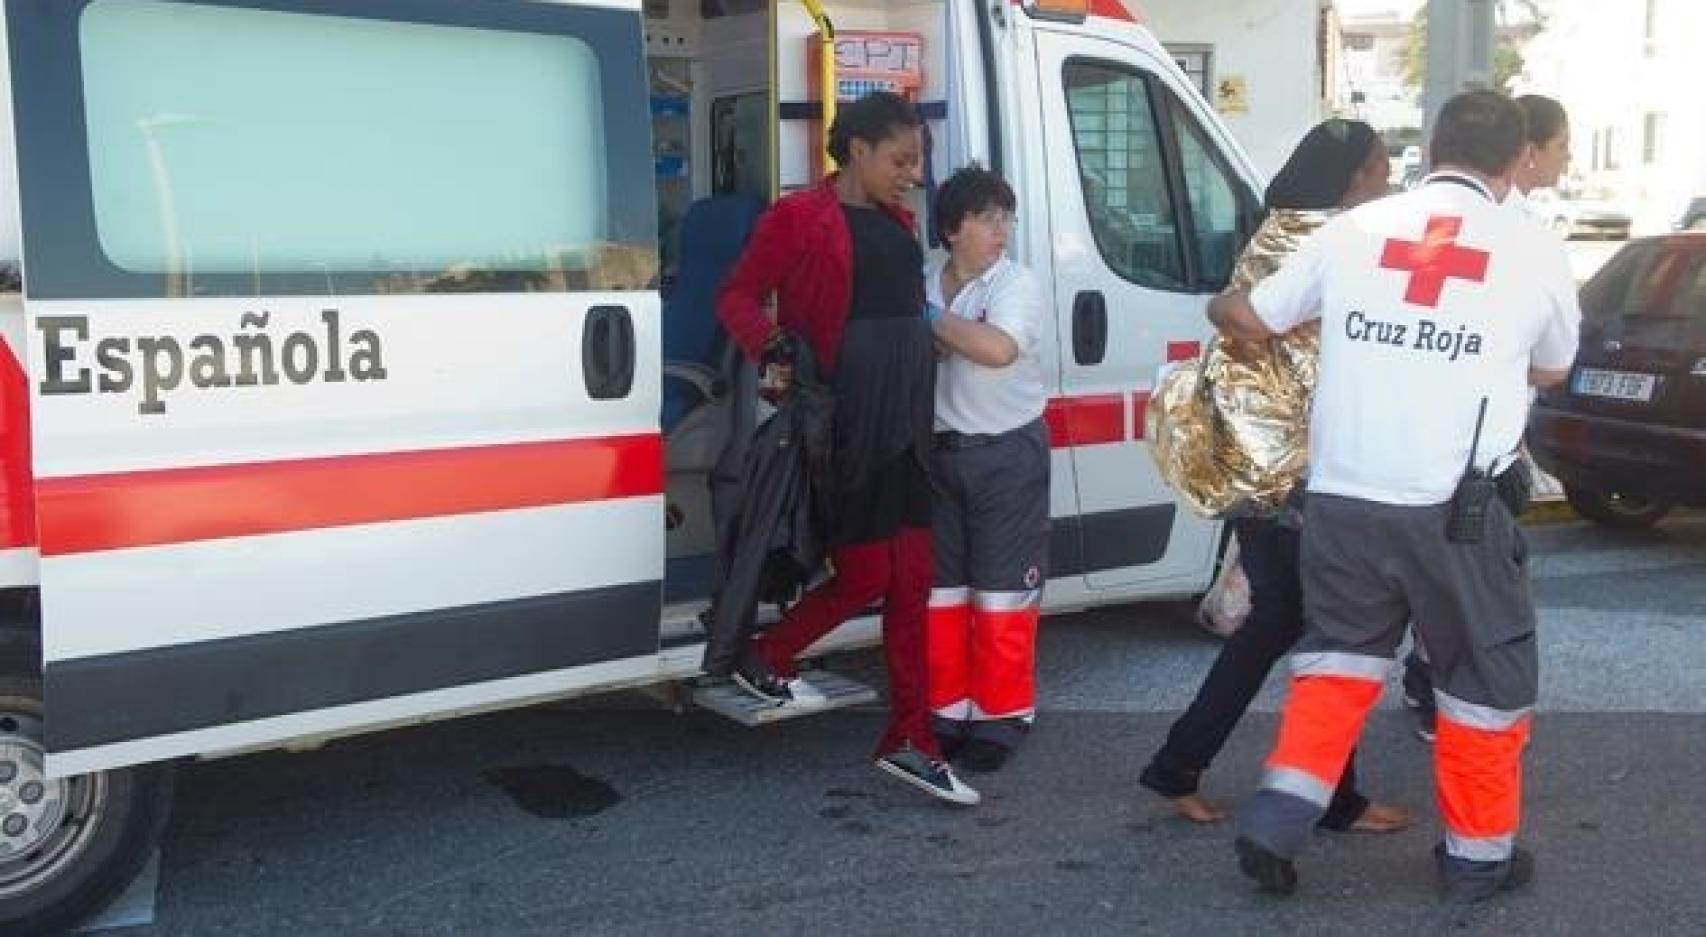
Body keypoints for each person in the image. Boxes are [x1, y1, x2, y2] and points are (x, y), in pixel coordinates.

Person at [1209, 90, 1580, 902]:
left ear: (1433, 145)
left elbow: (1253, 317)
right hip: (1455, 507)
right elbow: (1553, 366)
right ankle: (1479, 857)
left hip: (1341, 499)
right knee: (1481, 678)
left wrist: (1219, 302)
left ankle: (1277, 818)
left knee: (1337, 662)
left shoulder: (1354, 230)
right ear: (1517, 158)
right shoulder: (1532, 246)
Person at [1139, 119, 1411, 834]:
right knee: (1338, 636)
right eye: (1382, 168)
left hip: (1256, 468)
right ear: (1353, 177)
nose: (1387, 180)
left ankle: (1180, 767)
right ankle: (1331, 798)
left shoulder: (1277, 231)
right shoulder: (1331, 243)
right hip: (1302, 476)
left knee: (1281, 625)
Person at [715, 91, 979, 806]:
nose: (914, 174)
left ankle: (910, 739)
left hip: (908, 424)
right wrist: (776, 360)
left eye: (917, 160)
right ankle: (765, 653)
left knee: (913, 580)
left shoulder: (897, 218)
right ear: (857, 150)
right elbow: (738, 296)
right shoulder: (798, 217)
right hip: (850, 425)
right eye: (901, 159)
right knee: (867, 577)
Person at [1402, 92, 1571, 743]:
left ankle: (1434, 684)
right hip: (1465, 446)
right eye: (1560, 146)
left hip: (1458, 437)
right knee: (1471, 596)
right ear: (1525, 151)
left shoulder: (1494, 222)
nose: (1565, 159)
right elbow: (1546, 356)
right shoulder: (1515, 232)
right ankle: (1442, 692)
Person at [922, 167, 1051, 774]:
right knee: (943, 596)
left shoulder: (1015, 284)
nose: (1003, 231)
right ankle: (948, 709)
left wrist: (926, 321)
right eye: (987, 218)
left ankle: (1001, 717)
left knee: (1001, 595)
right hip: (939, 456)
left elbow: (997, 349)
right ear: (952, 229)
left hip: (1005, 455)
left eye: (1007, 217)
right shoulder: (928, 281)